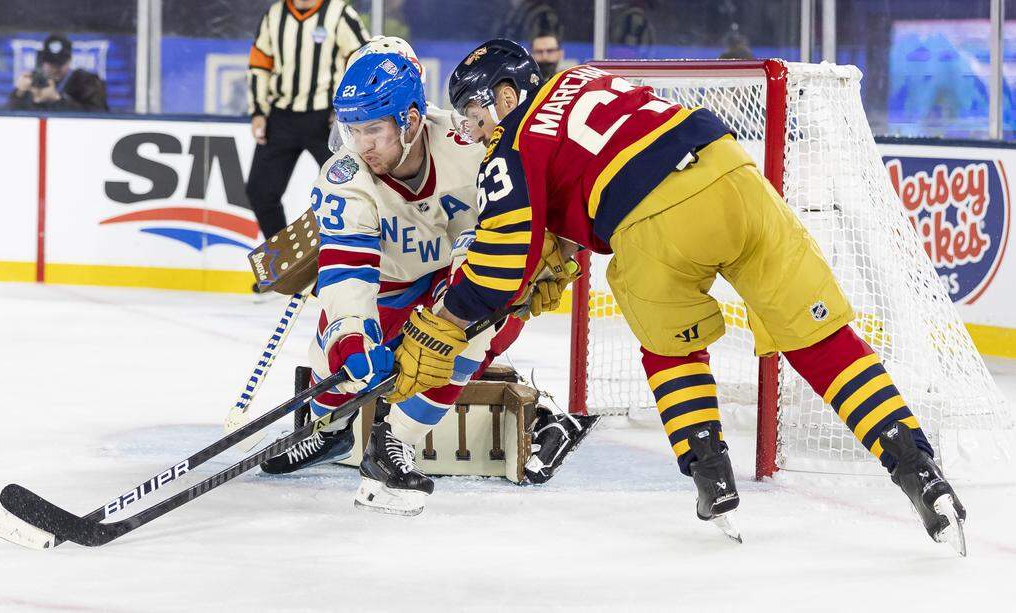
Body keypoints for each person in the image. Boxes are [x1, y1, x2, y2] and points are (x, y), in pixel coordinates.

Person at [388, 39, 967, 552]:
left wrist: (448, 316)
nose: (471, 126)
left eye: (473, 108)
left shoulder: (511, 142)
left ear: (506, 94)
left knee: (672, 349)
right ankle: (919, 468)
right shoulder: (590, 80)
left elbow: (498, 266)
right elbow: (581, 171)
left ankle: (712, 476)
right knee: (821, 341)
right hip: (736, 178)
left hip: (654, 219)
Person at [256, 52, 523, 516]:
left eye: (373, 130)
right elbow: (345, 267)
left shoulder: (467, 149)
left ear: (412, 119)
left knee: (471, 334)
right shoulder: (343, 176)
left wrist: (468, 301)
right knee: (335, 372)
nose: (361, 145)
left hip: (443, 277)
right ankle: (327, 432)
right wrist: (350, 334)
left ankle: (393, 442)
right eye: (351, 130)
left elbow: (485, 238)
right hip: (383, 285)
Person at [245, 0, 369, 243]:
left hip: (327, 119)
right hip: (281, 116)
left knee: (352, 189)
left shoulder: (340, 14)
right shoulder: (275, 15)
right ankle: (284, 271)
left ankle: (345, 259)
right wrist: (259, 111)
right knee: (260, 191)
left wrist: (348, 109)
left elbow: (364, 60)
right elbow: (260, 63)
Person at [7, 33, 108, 112]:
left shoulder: (87, 82)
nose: (55, 68)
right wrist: (19, 94)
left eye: (60, 64)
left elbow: (100, 115)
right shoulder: (33, 81)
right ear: (42, 62)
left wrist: (58, 100)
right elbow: (9, 116)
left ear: (69, 61)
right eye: (51, 63)